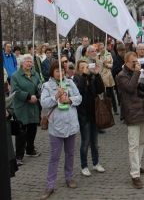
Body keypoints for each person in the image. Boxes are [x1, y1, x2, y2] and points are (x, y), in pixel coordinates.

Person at [39, 61, 82, 200]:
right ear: (52, 72)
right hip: (56, 127)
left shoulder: (69, 82)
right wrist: (56, 96)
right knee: (54, 157)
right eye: (57, 71)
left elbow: (79, 98)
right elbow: (44, 103)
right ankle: (50, 185)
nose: (60, 73)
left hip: (71, 124)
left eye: (62, 71)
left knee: (70, 154)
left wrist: (69, 99)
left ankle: (69, 177)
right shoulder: (47, 86)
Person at [116, 51, 144, 189]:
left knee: (141, 142)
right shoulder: (121, 75)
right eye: (133, 62)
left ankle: (138, 165)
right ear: (126, 62)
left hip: (142, 110)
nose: (136, 64)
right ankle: (135, 174)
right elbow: (130, 88)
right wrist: (137, 72)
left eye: (137, 61)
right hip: (132, 113)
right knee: (133, 145)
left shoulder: (137, 72)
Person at [73, 60, 106, 176]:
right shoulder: (76, 79)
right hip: (83, 115)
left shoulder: (92, 77)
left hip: (93, 114)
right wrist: (84, 75)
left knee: (95, 142)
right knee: (85, 142)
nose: (85, 69)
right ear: (78, 69)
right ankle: (84, 165)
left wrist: (97, 75)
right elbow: (79, 91)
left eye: (86, 66)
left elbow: (101, 89)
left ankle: (96, 163)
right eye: (82, 67)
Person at [11, 54, 42, 165]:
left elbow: (40, 86)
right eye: (27, 61)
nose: (29, 63)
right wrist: (28, 97)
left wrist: (37, 95)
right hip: (22, 107)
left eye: (30, 62)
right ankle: (18, 156)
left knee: (32, 129)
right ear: (21, 63)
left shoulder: (35, 74)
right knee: (21, 132)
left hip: (33, 106)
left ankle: (30, 149)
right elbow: (15, 91)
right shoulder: (15, 76)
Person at [98, 42, 118, 115]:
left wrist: (107, 64)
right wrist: (101, 63)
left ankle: (115, 109)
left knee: (111, 93)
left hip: (108, 76)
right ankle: (106, 109)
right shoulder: (98, 56)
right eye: (100, 48)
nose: (102, 49)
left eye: (103, 48)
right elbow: (97, 66)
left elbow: (112, 65)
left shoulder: (109, 55)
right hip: (101, 76)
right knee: (104, 94)